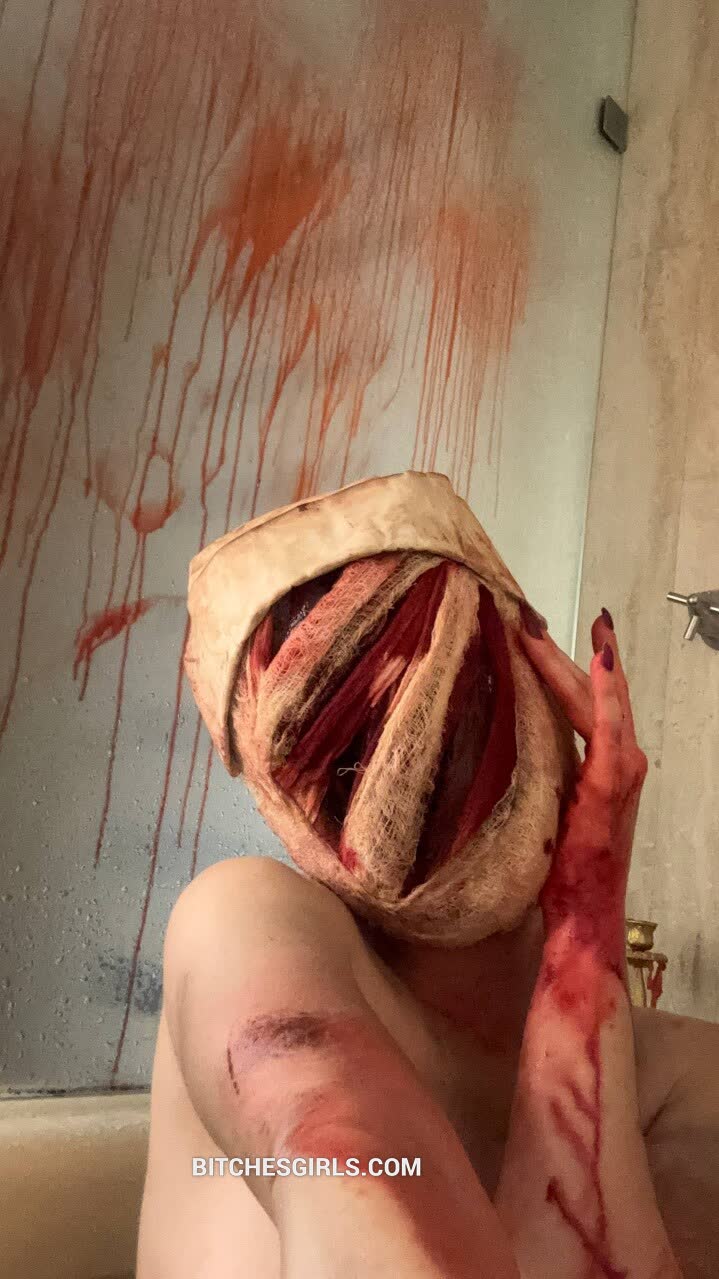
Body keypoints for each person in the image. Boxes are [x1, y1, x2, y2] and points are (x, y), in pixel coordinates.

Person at [137, 610, 718, 1278]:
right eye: (350, 728)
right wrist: (585, 929)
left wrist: (583, 940)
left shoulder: (688, 1074)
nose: (418, 746)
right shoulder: (251, 924)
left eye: (473, 686)